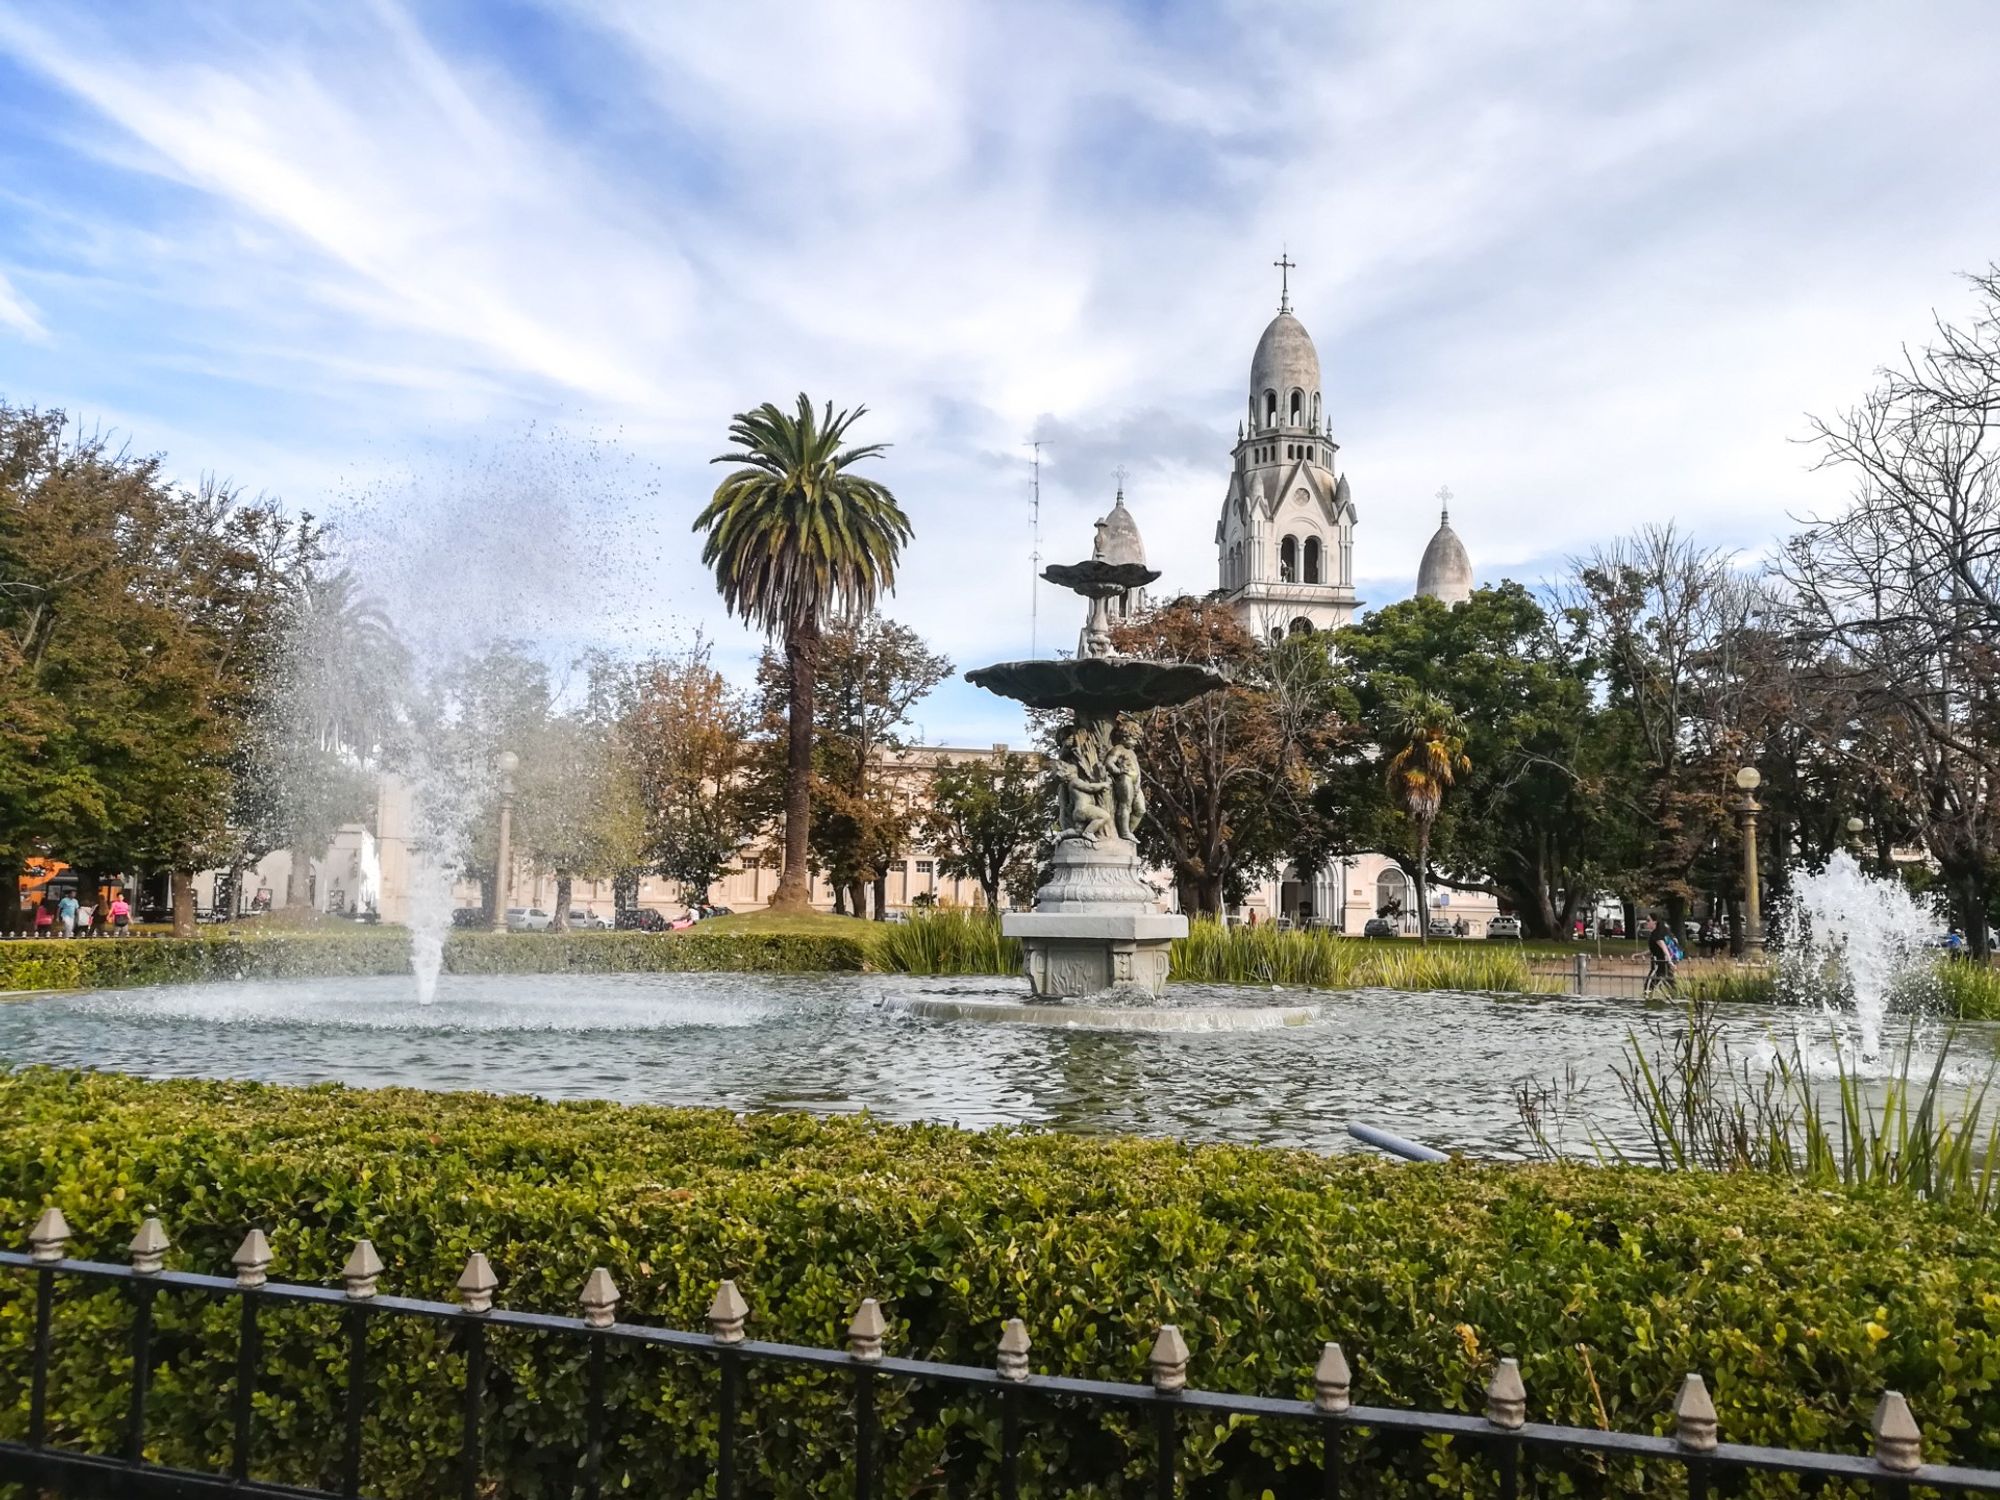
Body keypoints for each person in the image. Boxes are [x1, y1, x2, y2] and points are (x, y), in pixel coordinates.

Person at [1644, 917, 1678, 997]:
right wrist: (1640, 955)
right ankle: (1677, 1000)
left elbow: (1664, 949)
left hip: (1659, 964)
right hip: (1664, 964)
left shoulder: (1657, 935)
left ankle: (1647, 1000)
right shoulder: (1661, 935)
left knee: (1648, 987)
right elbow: (1654, 950)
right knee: (1671, 985)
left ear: (1655, 922)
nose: (1646, 923)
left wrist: (1670, 962)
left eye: (1648, 921)